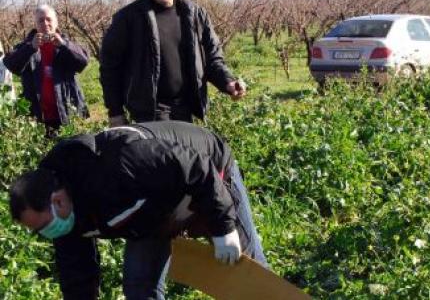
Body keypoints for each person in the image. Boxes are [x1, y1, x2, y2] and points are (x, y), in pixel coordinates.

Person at [9, 120, 267, 300]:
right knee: (140, 288)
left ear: (58, 201)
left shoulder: (121, 162)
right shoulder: (66, 219)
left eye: (44, 226)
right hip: (150, 210)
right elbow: (77, 275)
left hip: (207, 169)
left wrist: (224, 228)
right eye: (39, 231)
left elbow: (195, 168)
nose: (48, 233)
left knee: (246, 271)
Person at [100, 0, 246, 127]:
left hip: (186, 106)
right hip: (151, 112)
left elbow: (213, 59)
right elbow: (110, 68)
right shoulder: (128, 18)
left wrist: (228, 82)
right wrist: (115, 112)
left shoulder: (195, 15)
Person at [3, 5, 89, 135]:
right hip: (37, 118)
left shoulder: (66, 44)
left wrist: (64, 45)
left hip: (67, 114)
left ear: (56, 22)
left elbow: (83, 62)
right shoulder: (26, 46)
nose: (45, 23)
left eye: (49, 19)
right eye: (40, 20)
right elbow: (11, 64)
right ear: (35, 24)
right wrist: (31, 48)